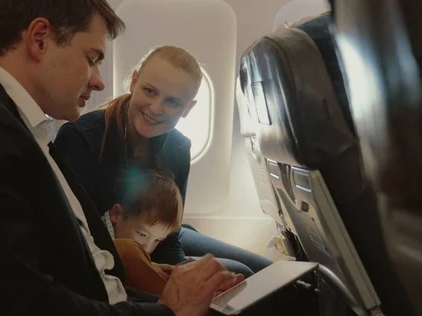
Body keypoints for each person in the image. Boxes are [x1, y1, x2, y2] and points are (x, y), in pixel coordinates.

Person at [0, 0, 241, 315]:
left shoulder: (22, 127)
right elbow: (20, 302)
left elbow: (89, 267)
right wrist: (169, 311)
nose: (99, 82)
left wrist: (171, 288)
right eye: (92, 59)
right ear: (39, 39)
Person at [54, 45, 273, 277]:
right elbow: (82, 242)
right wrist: (159, 277)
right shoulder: (81, 139)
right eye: (149, 91)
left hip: (157, 238)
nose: (156, 108)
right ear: (134, 82)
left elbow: (169, 237)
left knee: (263, 272)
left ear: (188, 108)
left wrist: (179, 271)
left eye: (173, 102)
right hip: (113, 250)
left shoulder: (179, 148)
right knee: (239, 274)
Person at [102, 168, 245, 297]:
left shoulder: (129, 230)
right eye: (142, 235)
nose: (147, 248)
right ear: (116, 214)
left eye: (158, 241)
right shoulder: (99, 238)